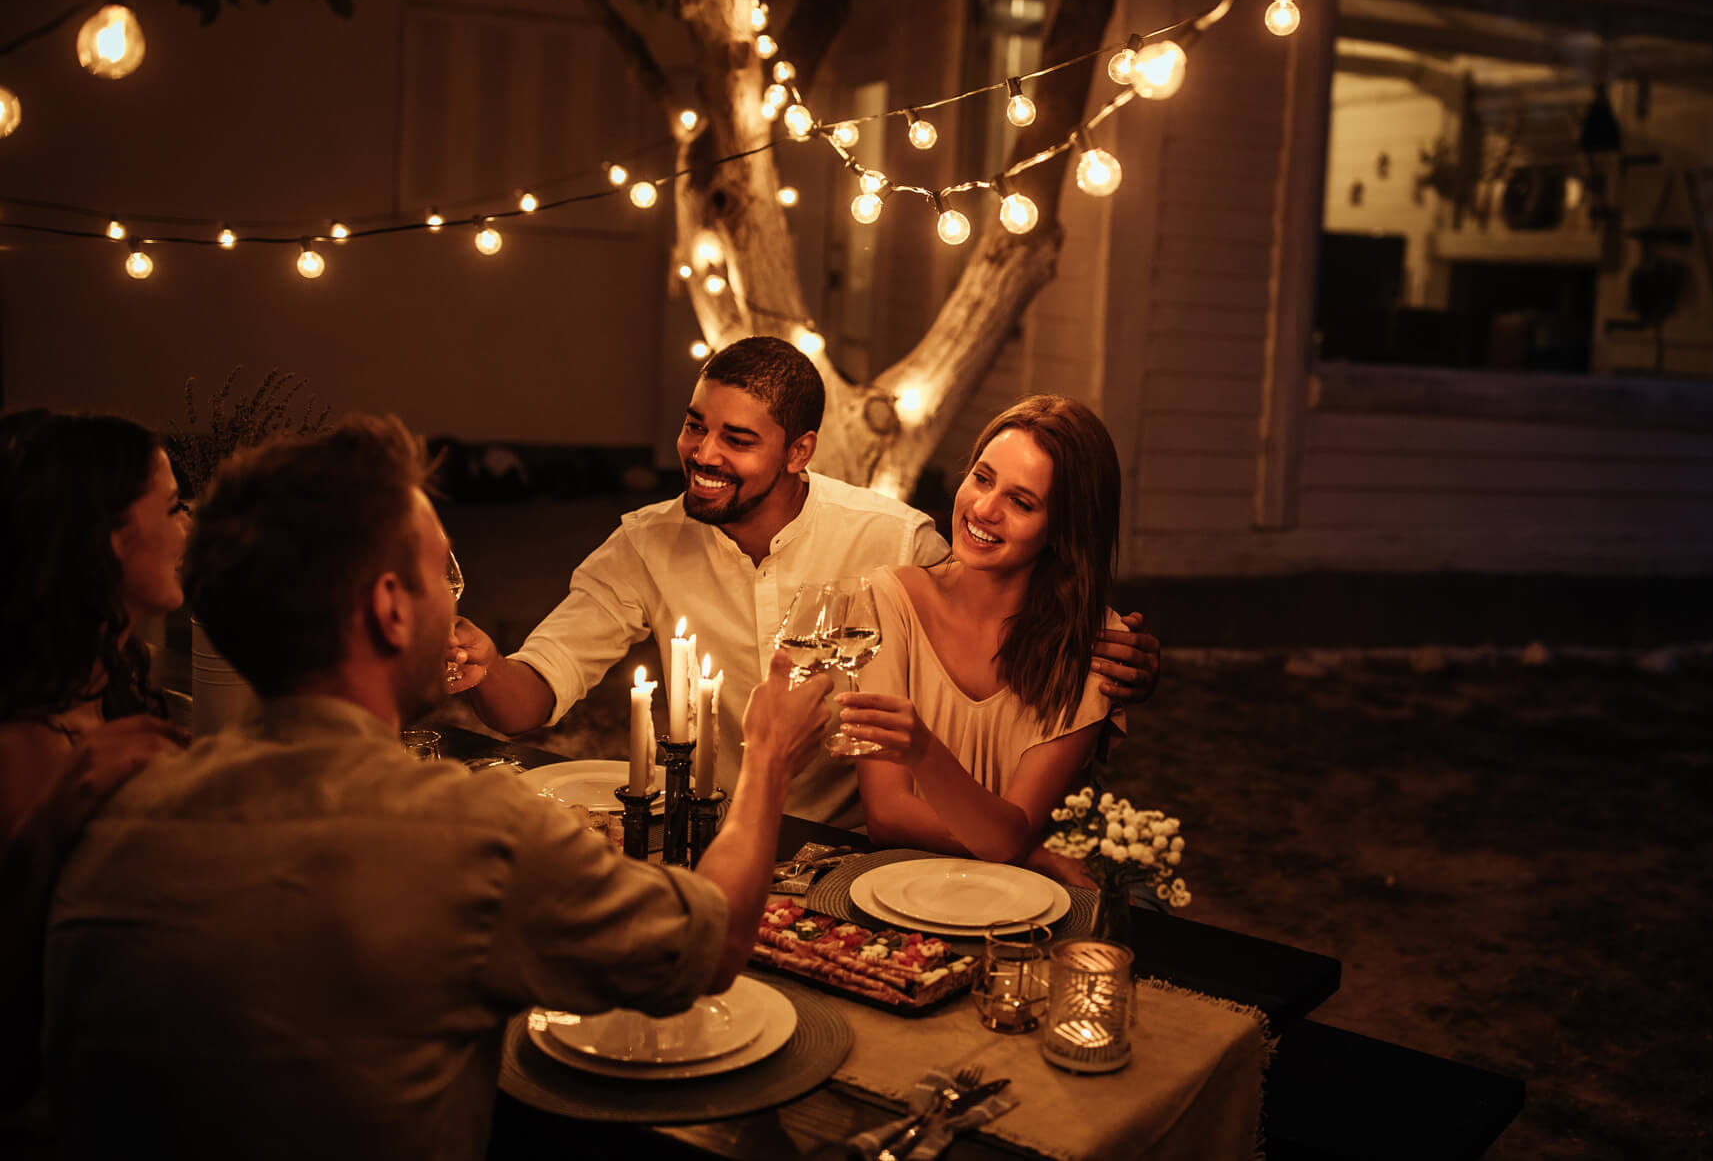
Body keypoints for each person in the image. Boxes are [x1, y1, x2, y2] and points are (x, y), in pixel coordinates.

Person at [42, 415, 831, 1160]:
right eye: (440, 573)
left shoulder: (120, 813)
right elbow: (710, 946)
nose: (456, 596)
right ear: (391, 609)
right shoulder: (471, 833)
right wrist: (766, 757)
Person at [447, 336, 1161, 827]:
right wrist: (485, 666)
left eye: (737, 439)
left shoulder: (893, 540)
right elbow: (529, 701)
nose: (703, 454)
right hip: (710, 828)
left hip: (854, 843)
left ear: (799, 451)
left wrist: (1115, 651)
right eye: (695, 427)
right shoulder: (646, 543)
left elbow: (993, 616)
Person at [837, 396, 1123, 883]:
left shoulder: (1095, 645)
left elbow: (1009, 836)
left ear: (1063, 530)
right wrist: (1034, 855)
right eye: (982, 478)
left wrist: (923, 752)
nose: (984, 508)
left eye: (1021, 502)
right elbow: (887, 817)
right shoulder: (890, 600)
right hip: (909, 885)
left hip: (1030, 904)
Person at [0, 411, 191, 1114]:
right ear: (110, 541)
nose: (189, 526)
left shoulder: (117, 687)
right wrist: (48, 830)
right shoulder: (20, 752)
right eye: (173, 507)